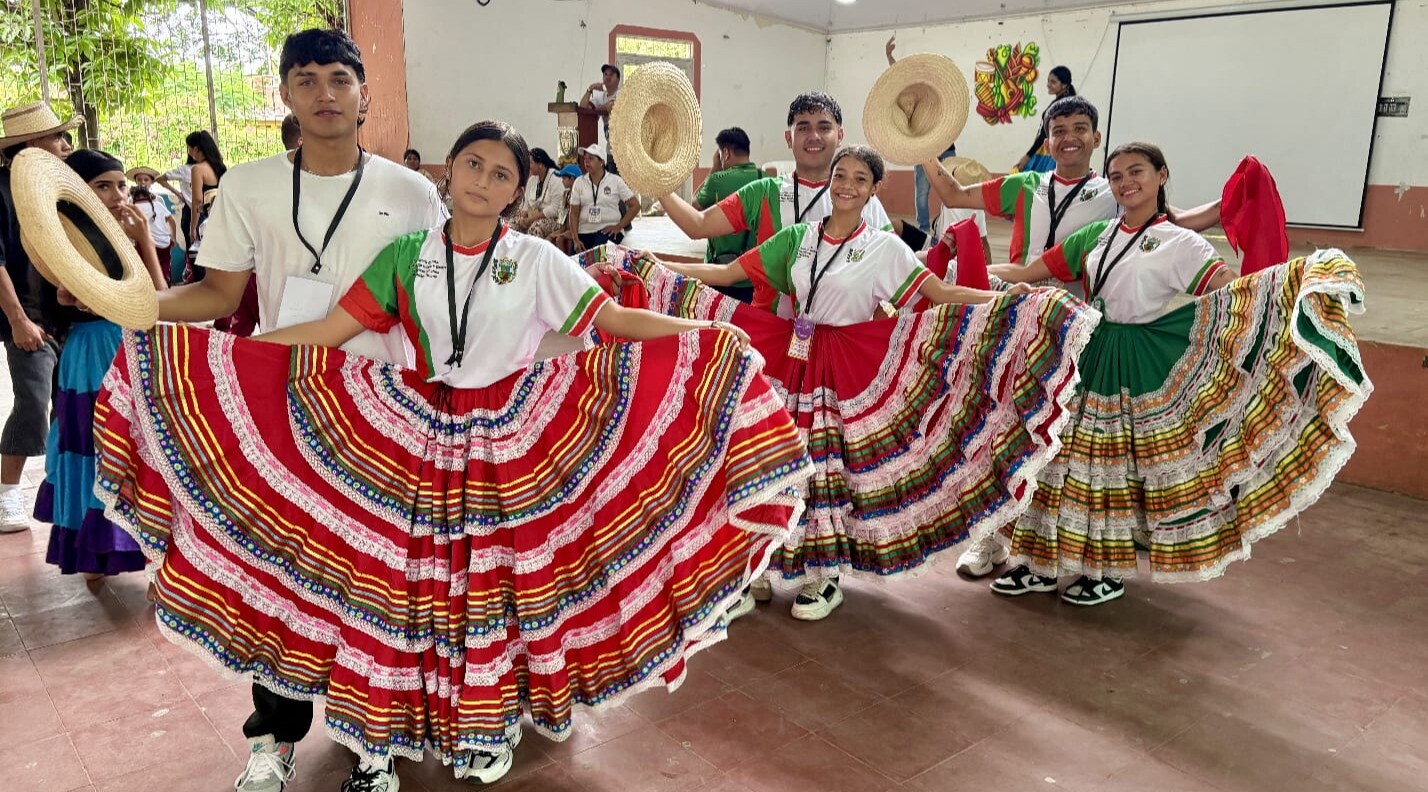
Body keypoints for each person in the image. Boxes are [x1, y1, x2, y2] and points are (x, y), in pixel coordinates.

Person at [95, 119, 810, 787]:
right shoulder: (407, 255)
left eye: (502, 174)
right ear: (450, 173)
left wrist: (702, 334)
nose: (484, 180)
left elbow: (613, 319)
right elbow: (334, 329)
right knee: (410, 585)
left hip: (512, 434)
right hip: (418, 428)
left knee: (499, 587)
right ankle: (400, 731)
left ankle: (488, 725)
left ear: (517, 191)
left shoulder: (534, 258)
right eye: (472, 163)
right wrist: (226, 351)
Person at [604, 145, 1097, 621]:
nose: (846, 185)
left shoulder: (882, 248)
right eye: (841, 176)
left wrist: (1009, 299)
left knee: (826, 470)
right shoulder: (799, 238)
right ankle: (759, 567)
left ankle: (825, 574)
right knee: (769, 460)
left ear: (874, 190)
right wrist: (648, 264)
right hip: (789, 357)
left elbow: (940, 293)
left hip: (846, 366)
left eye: (860, 179)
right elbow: (724, 272)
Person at [144, 28, 446, 792]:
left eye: (339, 78)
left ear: (363, 93)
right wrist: (141, 304)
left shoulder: (413, 194)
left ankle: (375, 745)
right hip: (281, 406)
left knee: (381, 583)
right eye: (306, 79)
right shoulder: (247, 185)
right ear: (285, 94)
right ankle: (274, 739)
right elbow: (217, 293)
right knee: (281, 579)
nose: (324, 93)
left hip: (387, 412)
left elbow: (437, 306)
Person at [983, 142, 1368, 605]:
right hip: (1086, 352)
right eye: (1117, 175)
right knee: (1055, 459)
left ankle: (1103, 571)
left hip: (1136, 363)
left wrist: (1286, 285)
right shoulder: (1097, 234)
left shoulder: (1180, 242)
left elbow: (1226, 288)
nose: (1126, 182)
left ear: (1162, 176)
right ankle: (1041, 565)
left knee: (1112, 468)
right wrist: (965, 273)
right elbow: (1031, 270)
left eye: (1137, 171)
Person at [33, 150, 168, 583]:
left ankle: (156, 558)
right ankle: (97, 550)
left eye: (121, 184)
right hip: (92, 355)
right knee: (98, 449)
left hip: (135, 347)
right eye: (103, 186)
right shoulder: (64, 240)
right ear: (81, 193)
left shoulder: (127, 234)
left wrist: (145, 239)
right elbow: (65, 301)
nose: (117, 194)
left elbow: (160, 298)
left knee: (147, 449)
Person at [655, 92, 895, 317]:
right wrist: (653, 177)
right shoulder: (764, 192)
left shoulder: (864, 202)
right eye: (803, 128)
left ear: (840, 135)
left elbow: (892, 271)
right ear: (789, 138)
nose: (814, 136)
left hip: (838, 335)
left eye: (824, 127)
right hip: (769, 329)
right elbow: (699, 225)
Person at [0, 101, 76, 532]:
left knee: (69, 404)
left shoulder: (54, 185)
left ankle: (66, 492)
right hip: (28, 317)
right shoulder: (1, 188)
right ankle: (7, 494)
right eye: (57, 137)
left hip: (65, 314)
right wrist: (17, 320)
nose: (65, 146)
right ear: (31, 143)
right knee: (32, 402)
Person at [886, 34, 957, 234]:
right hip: (923, 150)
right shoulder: (921, 89)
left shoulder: (950, 96)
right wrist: (889, 56)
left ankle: (948, 226)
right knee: (922, 193)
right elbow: (900, 76)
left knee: (952, 190)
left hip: (946, 149)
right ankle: (924, 230)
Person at [692, 127, 763, 302]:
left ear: (725, 153)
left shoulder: (718, 180)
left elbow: (694, 207)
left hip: (718, 274)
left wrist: (715, 168)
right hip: (753, 274)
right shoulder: (766, 180)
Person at [567, 141, 637, 253]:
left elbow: (635, 206)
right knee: (573, 261)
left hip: (608, 231)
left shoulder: (615, 181)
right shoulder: (579, 182)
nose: (586, 161)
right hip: (584, 231)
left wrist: (619, 226)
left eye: (591, 158)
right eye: (585, 159)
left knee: (596, 254)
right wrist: (575, 239)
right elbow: (573, 213)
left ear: (602, 162)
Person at [1014, 65, 1076, 174]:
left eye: (1053, 82)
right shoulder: (1066, 103)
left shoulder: (1061, 106)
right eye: (1048, 81)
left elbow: (1044, 134)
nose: (1048, 85)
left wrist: (1027, 156)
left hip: (1051, 155)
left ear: (1064, 85)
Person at [127, 168, 178, 278]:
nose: (143, 182)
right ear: (135, 181)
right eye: (140, 180)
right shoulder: (131, 201)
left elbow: (166, 220)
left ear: (151, 182)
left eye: (146, 180)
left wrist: (171, 236)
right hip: (142, 241)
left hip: (155, 240)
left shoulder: (158, 200)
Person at [182, 130, 227, 243]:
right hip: (222, 217)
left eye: (189, 148)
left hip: (205, 219)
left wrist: (192, 228)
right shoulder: (220, 167)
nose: (189, 152)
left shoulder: (197, 169)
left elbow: (197, 200)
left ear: (196, 149)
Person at [579, 64, 621, 173]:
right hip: (610, 149)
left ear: (618, 79)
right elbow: (583, 108)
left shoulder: (621, 94)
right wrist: (590, 88)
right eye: (605, 74)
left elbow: (609, 107)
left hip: (624, 150)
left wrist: (599, 109)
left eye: (611, 75)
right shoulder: (601, 97)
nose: (607, 77)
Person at [510, 147, 562, 233]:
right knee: (512, 224)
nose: (528, 166)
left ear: (540, 165)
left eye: (531, 163)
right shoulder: (532, 180)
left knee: (534, 229)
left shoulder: (555, 178)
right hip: (532, 216)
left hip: (552, 219)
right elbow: (526, 204)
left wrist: (531, 219)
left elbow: (554, 209)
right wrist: (523, 218)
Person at [532, 162, 581, 253]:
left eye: (564, 178)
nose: (562, 181)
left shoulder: (580, 195)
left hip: (577, 229)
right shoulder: (566, 195)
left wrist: (561, 233)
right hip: (566, 228)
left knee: (559, 240)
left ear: (572, 179)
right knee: (548, 240)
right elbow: (562, 217)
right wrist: (558, 231)